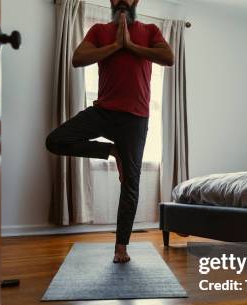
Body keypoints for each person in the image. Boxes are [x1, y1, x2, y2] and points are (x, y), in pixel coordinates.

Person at [46, 0, 174, 263]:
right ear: (111, 2)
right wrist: (115, 46)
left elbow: (168, 58)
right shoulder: (99, 31)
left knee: (131, 183)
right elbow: (77, 59)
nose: (122, 1)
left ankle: (121, 247)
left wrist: (131, 46)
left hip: (135, 120)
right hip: (103, 112)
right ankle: (109, 150)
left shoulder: (150, 31)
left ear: (136, 1)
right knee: (56, 140)